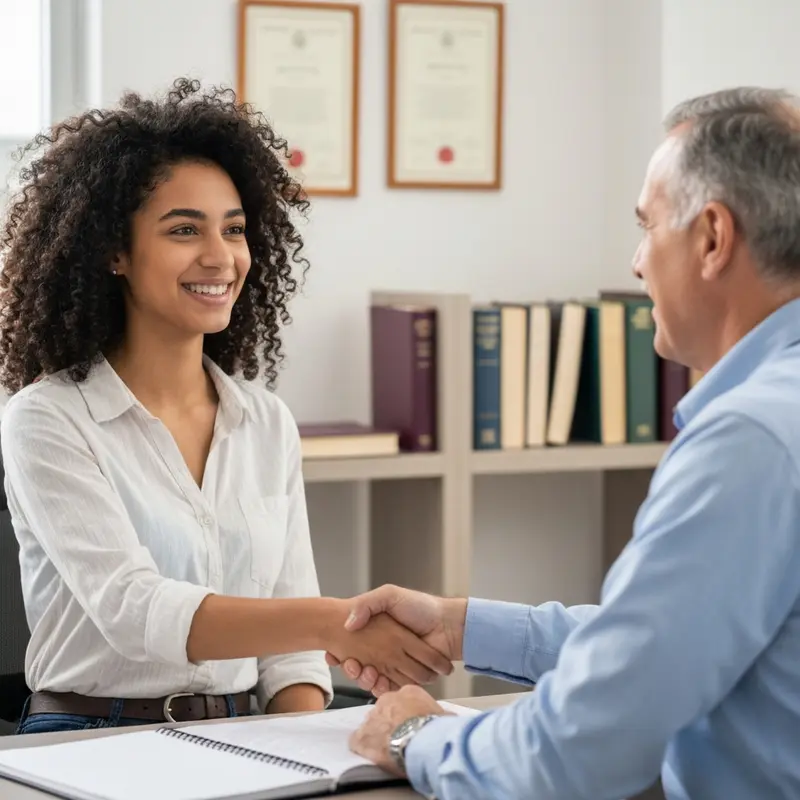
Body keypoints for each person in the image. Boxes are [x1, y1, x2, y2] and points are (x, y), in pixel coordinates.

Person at [330, 86, 800, 799]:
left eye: (648, 228)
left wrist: (412, 735)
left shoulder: (750, 441)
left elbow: (580, 751)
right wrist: (464, 627)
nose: (639, 263)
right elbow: (666, 650)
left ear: (711, 238)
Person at [0, 77, 451, 735]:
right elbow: (135, 611)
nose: (220, 257)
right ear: (115, 252)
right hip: (91, 737)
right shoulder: (47, 419)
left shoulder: (265, 422)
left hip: (243, 733)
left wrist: (303, 755)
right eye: (184, 229)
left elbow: (291, 658)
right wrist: (341, 622)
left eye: (234, 230)